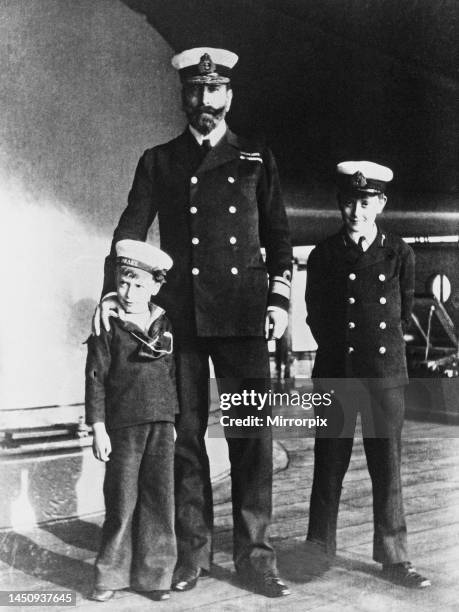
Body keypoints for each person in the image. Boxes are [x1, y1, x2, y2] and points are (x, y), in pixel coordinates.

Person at [94, 48, 292, 597]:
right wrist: (115, 291)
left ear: (229, 95)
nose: (204, 101)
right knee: (185, 438)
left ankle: (256, 557)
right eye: (194, 91)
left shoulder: (256, 158)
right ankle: (192, 555)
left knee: (252, 436)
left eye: (215, 90)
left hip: (245, 315)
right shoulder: (159, 161)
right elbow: (129, 231)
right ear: (182, 95)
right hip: (180, 321)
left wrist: (278, 301)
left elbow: (278, 238)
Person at [305, 161, 431, 588]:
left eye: (365, 201)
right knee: (329, 464)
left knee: (387, 466)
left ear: (380, 203)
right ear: (340, 204)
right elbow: (316, 316)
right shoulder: (324, 255)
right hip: (337, 373)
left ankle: (395, 558)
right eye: (348, 202)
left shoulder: (400, 253)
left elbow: (402, 312)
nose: (356, 211)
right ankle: (319, 551)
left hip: (383, 375)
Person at [86, 239, 178, 602]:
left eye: (139, 284)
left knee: (159, 501)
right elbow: (95, 377)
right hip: (123, 426)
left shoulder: (164, 323)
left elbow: (171, 375)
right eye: (123, 281)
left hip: (160, 424)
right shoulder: (107, 325)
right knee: (121, 502)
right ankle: (109, 576)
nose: (129, 291)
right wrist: (98, 427)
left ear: (155, 286)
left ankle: (156, 577)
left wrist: (172, 423)